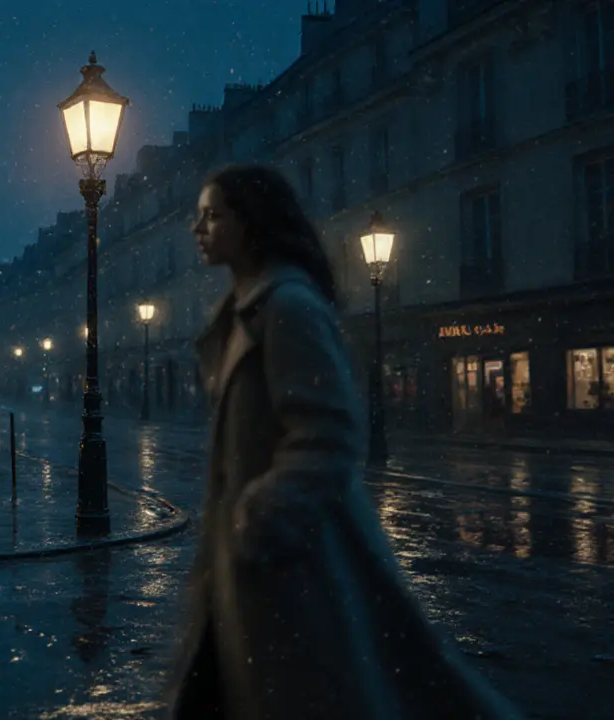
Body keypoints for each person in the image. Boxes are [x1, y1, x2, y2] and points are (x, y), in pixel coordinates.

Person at [166, 164, 519, 719]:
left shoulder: (288, 309)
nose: (198, 229)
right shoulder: (249, 312)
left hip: (296, 559)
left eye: (212, 215)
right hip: (255, 561)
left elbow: (329, 434)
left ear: (252, 223)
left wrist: (261, 515)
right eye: (198, 217)